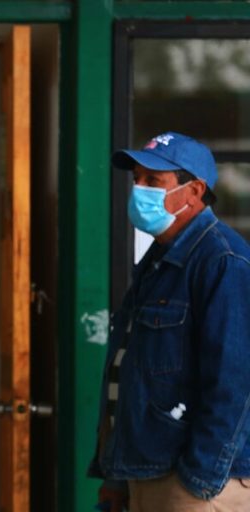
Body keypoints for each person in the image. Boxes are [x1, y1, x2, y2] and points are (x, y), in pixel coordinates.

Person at [89, 132, 250, 512]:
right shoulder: (159, 262)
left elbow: (236, 384)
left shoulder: (222, 261)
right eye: (137, 179)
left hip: (195, 486)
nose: (139, 190)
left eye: (153, 181)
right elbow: (131, 373)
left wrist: (199, 481)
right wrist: (117, 475)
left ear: (194, 191)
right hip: (146, 476)